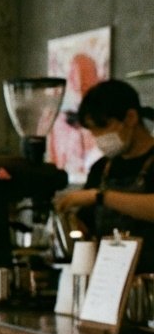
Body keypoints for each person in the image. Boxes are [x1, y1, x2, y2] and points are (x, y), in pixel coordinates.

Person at [54, 79, 154, 273]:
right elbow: (87, 227)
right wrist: (68, 223)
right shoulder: (102, 168)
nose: (98, 137)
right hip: (108, 279)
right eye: (93, 131)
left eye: (102, 127)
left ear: (131, 117)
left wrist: (101, 197)